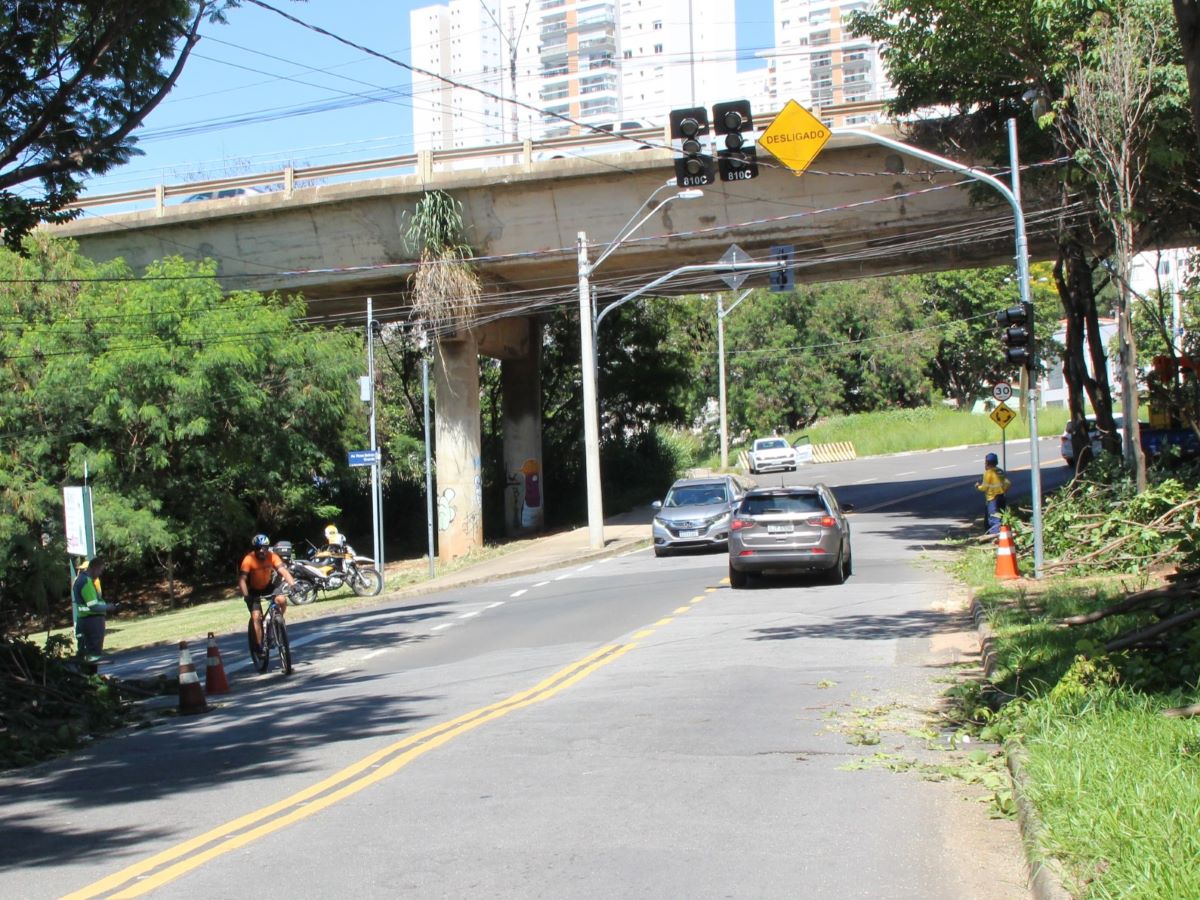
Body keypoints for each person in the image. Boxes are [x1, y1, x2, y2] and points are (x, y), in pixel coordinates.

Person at [238, 534, 296, 650]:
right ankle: (259, 645)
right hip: (252, 589)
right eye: (258, 548)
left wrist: (293, 585)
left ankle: (275, 621)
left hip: (267, 586)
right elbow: (242, 580)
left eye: (264, 548)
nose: (261, 551)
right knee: (256, 616)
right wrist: (246, 596)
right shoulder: (248, 559)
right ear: (254, 549)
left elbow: (283, 571)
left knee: (282, 600)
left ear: (267, 548)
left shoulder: (272, 556)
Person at [73, 557, 110, 661]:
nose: (100, 573)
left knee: (85, 651)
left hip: (83, 619)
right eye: (100, 570)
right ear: (95, 568)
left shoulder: (79, 580)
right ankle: (92, 675)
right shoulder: (86, 582)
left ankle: (87, 675)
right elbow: (93, 605)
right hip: (92, 620)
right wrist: (109, 607)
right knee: (94, 652)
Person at [977, 452, 1012, 534]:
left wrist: (977, 486)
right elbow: (1008, 483)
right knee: (1001, 516)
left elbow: (984, 487)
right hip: (1002, 497)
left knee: (994, 518)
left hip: (993, 499)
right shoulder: (1000, 471)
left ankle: (995, 537)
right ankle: (1002, 534)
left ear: (987, 462)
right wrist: (1003, 490)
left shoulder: (988, 473)